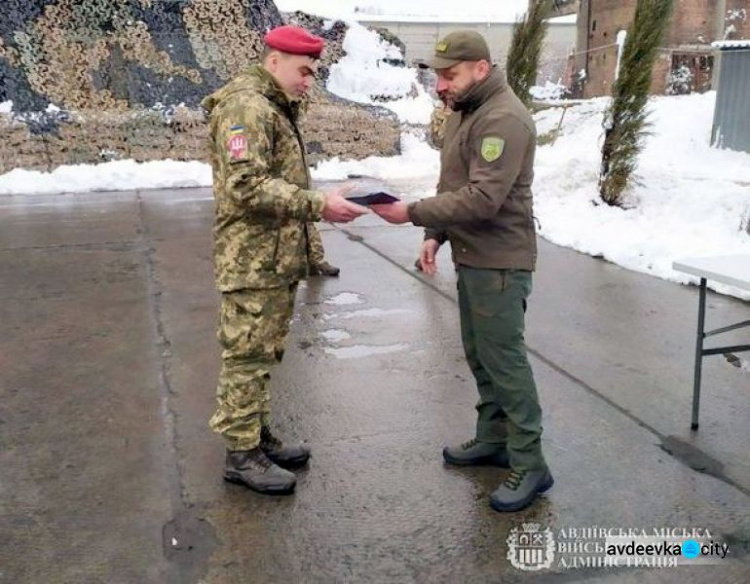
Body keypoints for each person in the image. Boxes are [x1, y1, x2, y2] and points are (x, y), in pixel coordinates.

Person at [371, 30, 553, 512]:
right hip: (472, 256)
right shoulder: (465, 114)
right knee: (480, 354)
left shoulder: (503, 119)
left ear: (480, 68)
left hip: (500, 261)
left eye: (449, 76)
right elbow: (454, 184)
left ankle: (531, 462)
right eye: (437, 76)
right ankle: (493, 438)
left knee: (506, 362)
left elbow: (483, 199)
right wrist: (435, 235)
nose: (440, 86)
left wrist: (412, 212)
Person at [201, 25, 366, 495]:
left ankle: (255, 435)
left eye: (313, 74)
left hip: (271, 258)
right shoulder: (247, 108)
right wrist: (318, 204)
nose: (308, 82)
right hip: (251, 260)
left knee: (264, 352)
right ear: (274, 61)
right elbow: (245, 185)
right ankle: (241, 454)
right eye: (304, 71)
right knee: (246, 355)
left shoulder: (271, 105)